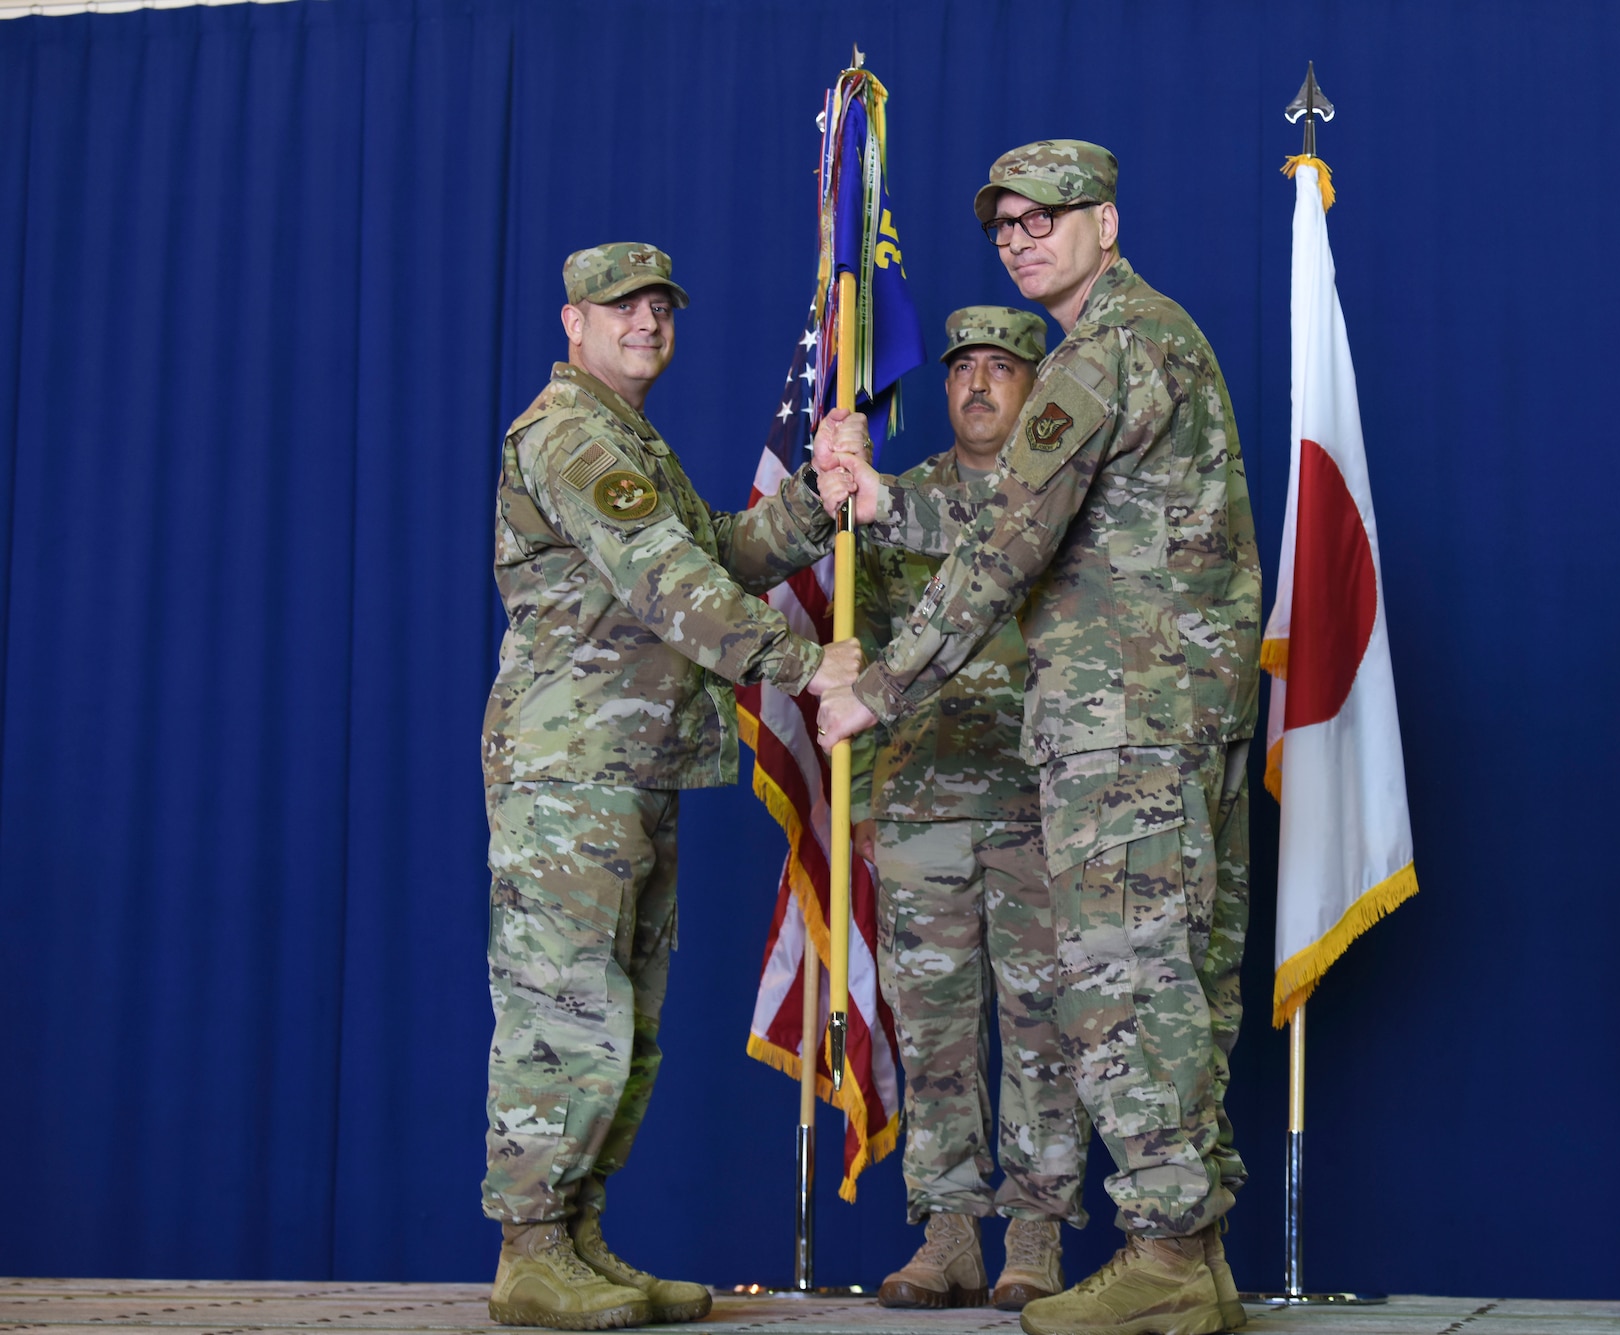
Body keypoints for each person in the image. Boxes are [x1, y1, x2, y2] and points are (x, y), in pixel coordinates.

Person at [815, 142, 1261, 1335]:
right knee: (1175, 980)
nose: (1020, 238)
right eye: (1005, 225)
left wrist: (882, 683)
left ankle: (1164, 1254)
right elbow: (1007, 502)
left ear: (1104, 223)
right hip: (1170, 715)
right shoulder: (1147, 336)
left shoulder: (1104, 350)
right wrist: (878, 501)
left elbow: (1009, 535)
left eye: (1045, 219)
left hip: (1123, 724)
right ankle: (1193, 1256)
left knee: (1123, 987)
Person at [481, 243, 865, 1330]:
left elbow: (715, 549)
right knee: (564, 1011)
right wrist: (802, 664)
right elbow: (666, 583)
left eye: (658, 307)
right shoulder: (566, 435)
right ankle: (530, 1250)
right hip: (571, 772)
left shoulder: (623, 435)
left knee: (625, 1018)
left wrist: (812, 505)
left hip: (629, 766)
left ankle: (579, 1237)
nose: (645, 323)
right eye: (621, 308)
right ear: (573, 322)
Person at [856, 307, 1089, 1312]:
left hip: (1040, 801)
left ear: (1037, 389)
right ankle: (946, 1234)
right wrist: (865, 793)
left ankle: (1033, 1237)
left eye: (1001, 367)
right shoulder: (888, 503)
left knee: (1046, 1029)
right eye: (962, 370)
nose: (977, 385)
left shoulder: (1065, 498)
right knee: (932, 1036)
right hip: (919, 803)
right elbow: (857, 650)